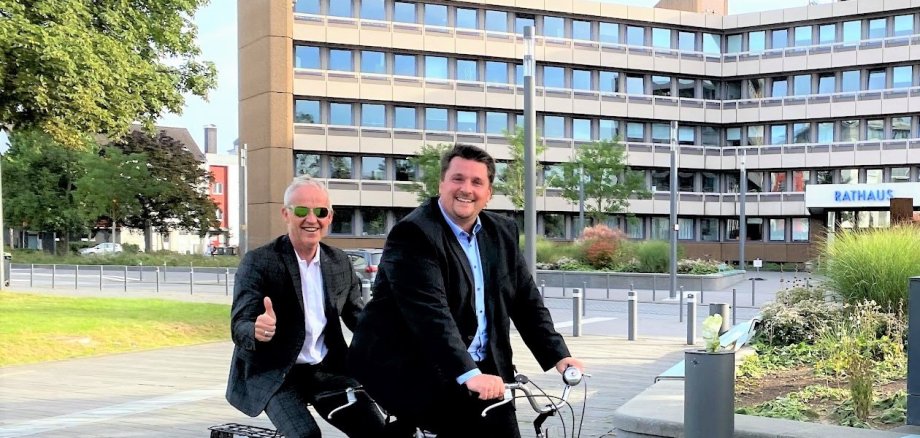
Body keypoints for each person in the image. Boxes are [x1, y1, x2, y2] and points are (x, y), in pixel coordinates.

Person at [347, 144, 584, 437]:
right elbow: (430, 316)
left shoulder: (502, 232)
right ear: (441, 184)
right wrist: (469, 373)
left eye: (476, 182)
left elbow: (525, 299)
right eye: (458, 179)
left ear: (489, 192)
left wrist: (559, 356)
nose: (466, 189)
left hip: (483, 368)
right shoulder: (414, 234)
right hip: (414, 365)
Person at [226, 176, 385, 438]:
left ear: (330, 217)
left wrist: (391, 333)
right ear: (285, 214)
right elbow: (239, 324)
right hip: (276, 374)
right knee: (305, 435)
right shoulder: (259, 262)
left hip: (326, 370)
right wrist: (256, 329)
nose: (311, 219)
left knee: (375, 430)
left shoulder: (339, 262)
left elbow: (358, 316)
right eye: (301, 210)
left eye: (320, 212)